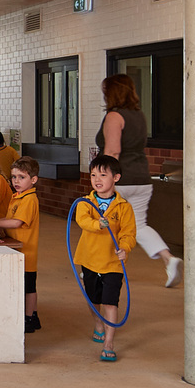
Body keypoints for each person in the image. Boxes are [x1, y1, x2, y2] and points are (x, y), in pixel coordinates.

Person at [97, 74, 182, 287]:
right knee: (138, 225)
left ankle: (99, 268)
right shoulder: (139, 115)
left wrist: (106, 180)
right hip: (142, 178)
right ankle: (168, 259)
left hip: (120, 179)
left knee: (104, 223)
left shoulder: (114, 116)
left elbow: (113, 150)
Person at [75, 155, 137, 363]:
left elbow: (128, 232)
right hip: (90, 259)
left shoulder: (123, 207)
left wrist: (125, 248)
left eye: (103, 174)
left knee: (110, 301)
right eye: (93, 175)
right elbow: (82, 220)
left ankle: (108, 343)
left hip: (113, 262)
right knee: (93, 300)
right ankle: (99, 325)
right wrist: (97, 225)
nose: (97, 179)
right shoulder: (86, 202)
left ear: (116, 178)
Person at [0, 157, 42, 332]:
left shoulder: (29, 199)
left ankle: (29, 319)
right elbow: (9, 220)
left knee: (28, 288)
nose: (16, 181)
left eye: (21, 177)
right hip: (17, 249)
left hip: (27, 251)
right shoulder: (18, 196)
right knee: (26, 285)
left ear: (33, 180)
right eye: (13, 177)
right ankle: (32, 317)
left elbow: (16, 223)